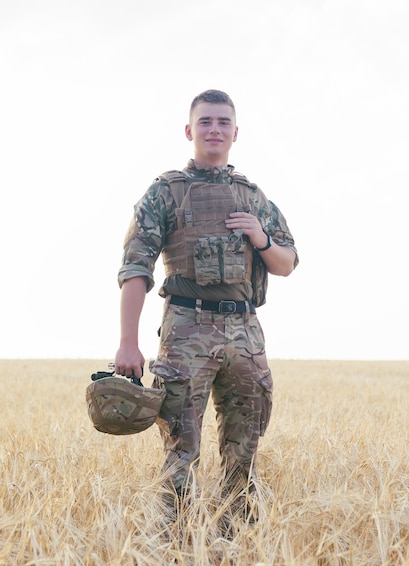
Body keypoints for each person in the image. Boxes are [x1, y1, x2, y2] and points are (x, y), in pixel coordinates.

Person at [114, 89, 298, 517]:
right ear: (189, 130)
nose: (214, 129)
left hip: (245, 333)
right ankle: (176, 551)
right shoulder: (165, 193)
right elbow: (134, 269)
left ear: (236, 132)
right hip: (186, 329)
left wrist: (261, 237)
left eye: (222, 122)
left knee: (244, 453)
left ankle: (235, 549)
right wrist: (128, 342)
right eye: (205, 121)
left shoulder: (253, 198)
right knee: (181, 451)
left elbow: (286, 263)